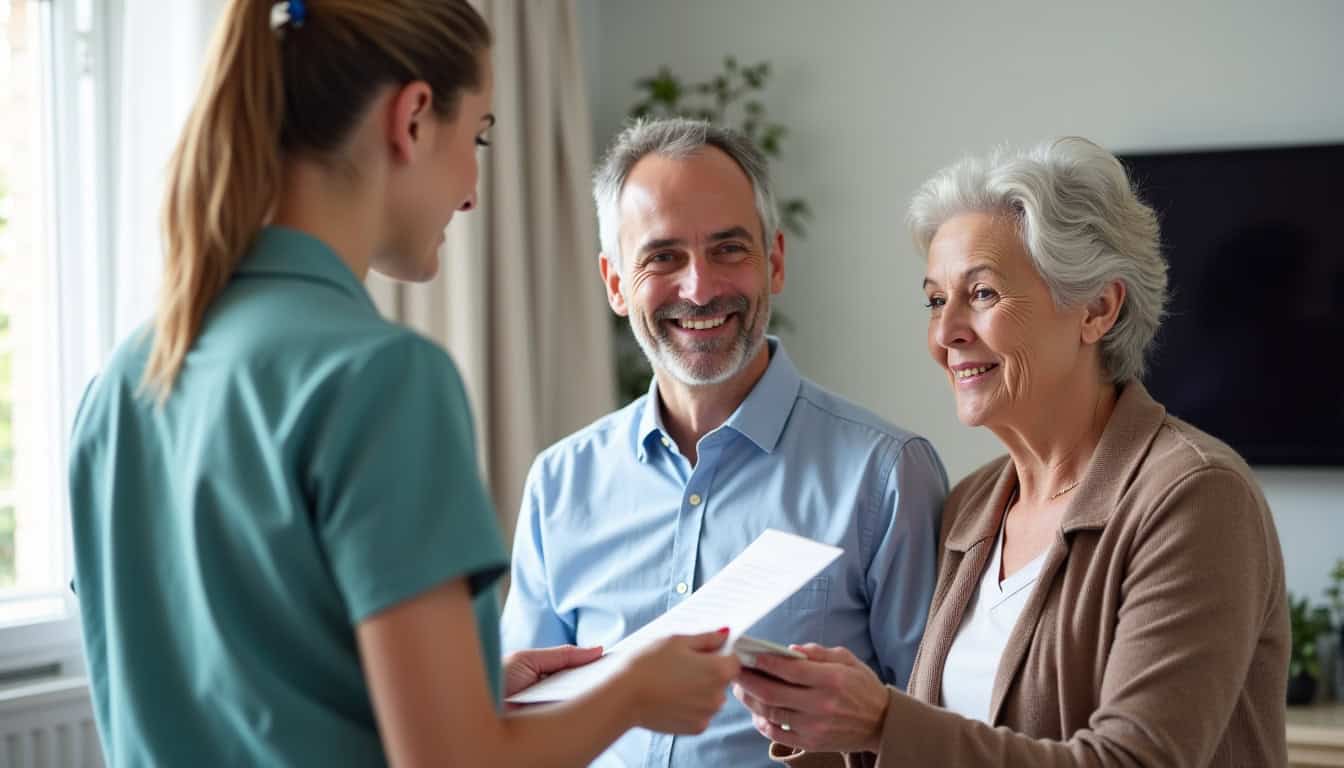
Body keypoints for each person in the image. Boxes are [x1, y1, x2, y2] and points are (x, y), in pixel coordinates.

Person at [66, 2, 738, 766]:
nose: (474, 191)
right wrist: (633, 693)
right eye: (478, 135)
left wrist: (475, 687)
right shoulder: (380, 379)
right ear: (413, 118)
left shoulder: (123, 381)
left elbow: (235, 685)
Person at [732, 136, 1290, 767]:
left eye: (983, 294)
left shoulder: (1196, 494)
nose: (946, 335)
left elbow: (1135, 762)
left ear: (1097, 308)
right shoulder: (972, 506)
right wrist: (825, 728)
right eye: (936, 301)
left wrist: (885, 722)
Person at [499, 117, 948, 768]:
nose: (700, 287)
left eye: (729, 249)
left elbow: (931, 733)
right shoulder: (559, 483)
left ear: (775, 262)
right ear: (616, 283)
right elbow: (522, 737)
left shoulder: (888, 475)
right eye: (662, 257)